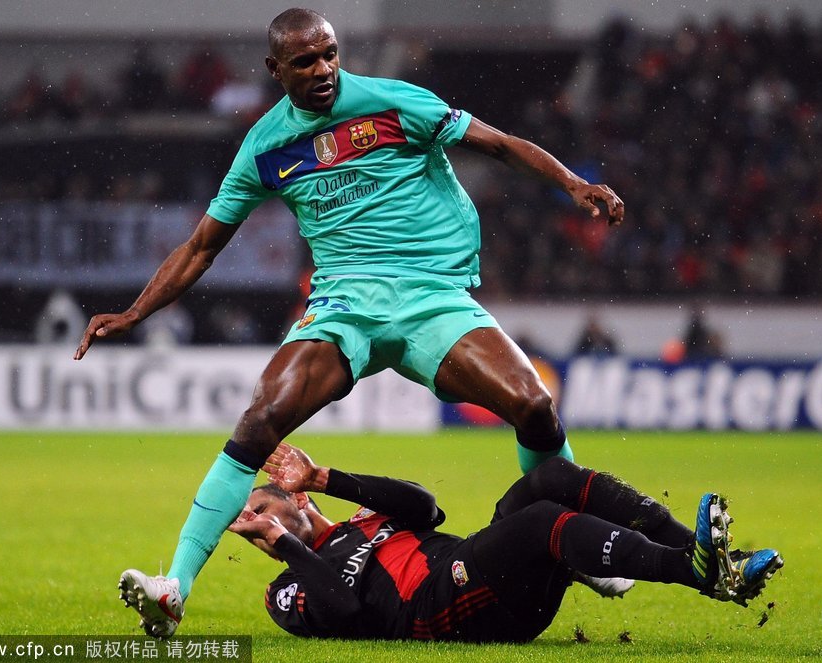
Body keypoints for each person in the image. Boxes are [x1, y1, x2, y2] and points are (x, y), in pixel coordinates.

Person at [77, 8, 624, 638]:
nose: (324, 70)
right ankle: (173, 588)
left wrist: (574, 185)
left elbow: (499, 145)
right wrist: (135, 312)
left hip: (429, 296)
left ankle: (578, 545)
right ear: (274, 69)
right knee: (259, 423)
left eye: (330, 54)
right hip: (345, 302)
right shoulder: (265, 146)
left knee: (534, 407)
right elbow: (202, 246)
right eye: (305, 61)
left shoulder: (395, 102)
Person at [189, 442, 782, 642]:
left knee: (550, 479)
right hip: (441, 607)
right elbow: (343, 610)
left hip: (469, 564)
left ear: (297, 500)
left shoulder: (363, 519)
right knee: (539, 521)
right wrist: (288, 546)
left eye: (258, 507)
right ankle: (692, 567)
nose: (251, 520)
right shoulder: (285, 590)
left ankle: (717, 567)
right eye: (243, 523)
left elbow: (426, 507)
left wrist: (325, 478)